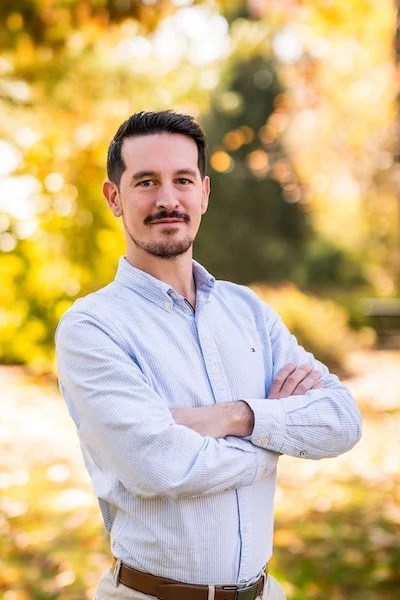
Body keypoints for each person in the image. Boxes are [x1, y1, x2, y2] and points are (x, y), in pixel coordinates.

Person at [55, 109, 362, 600]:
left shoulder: (248, 310)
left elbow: (342, 419)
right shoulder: (93, 327)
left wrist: (235, 417)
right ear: (114, 197)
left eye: (182, 180)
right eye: (146, 182)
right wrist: (276, 436)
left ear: (204, 193)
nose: (167, 200)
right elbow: (159, 465)